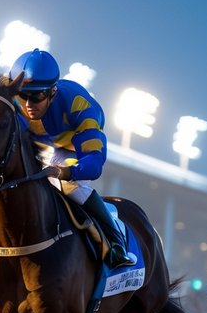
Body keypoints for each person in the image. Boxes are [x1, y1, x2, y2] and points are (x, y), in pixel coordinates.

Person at [8, 48, 135, 268]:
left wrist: (66, 172)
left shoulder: (80, 107)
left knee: (71, 187)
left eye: (36, 96)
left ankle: (114, 242)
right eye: (23, 95)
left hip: (73, 145)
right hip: (40, 142)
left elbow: (94, 164)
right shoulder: (14, 104)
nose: (28, 104)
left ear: (52, 92)